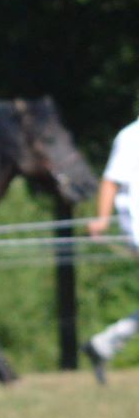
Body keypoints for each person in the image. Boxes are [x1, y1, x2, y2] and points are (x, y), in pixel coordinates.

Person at [84, 110, 139, 384]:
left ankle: (104, 344)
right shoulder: (131, 137)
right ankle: (105, 343)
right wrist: (102, 219)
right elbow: (110, 180)